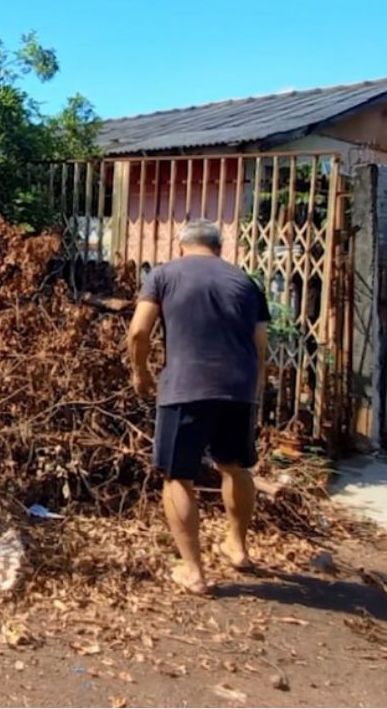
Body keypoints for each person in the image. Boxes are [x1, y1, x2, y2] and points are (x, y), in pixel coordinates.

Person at [126, 219, 270, 596]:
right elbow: (260, 345)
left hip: (185, 387)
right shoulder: (245, 282)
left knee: (178, 476)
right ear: (220, 248)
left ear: (181, 246)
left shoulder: (164, 275)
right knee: (235, 467)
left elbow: (139, 331)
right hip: (238, 389)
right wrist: (253, 387)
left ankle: (193, 572)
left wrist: (140, 373)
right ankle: (237, 547)